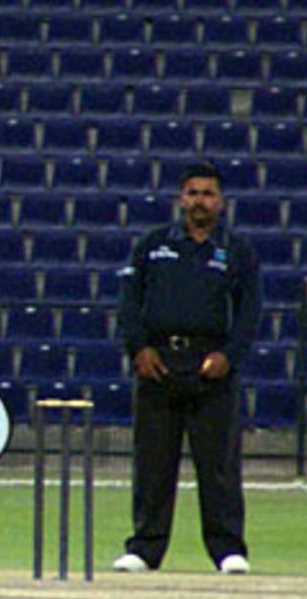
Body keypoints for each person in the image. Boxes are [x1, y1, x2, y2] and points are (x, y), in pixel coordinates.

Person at [114, 162, 261, 575]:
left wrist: (229, 357)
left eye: (208, 194)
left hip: (211, 367)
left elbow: (251, 312)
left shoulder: (236, 251)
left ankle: (228, 549)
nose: (200, 201)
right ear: (181, 198)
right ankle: (144, 548)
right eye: (193, 193)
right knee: (153, 463)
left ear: (221, 202)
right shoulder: (152, 244)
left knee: (218, 465)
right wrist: (139, 349)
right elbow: (128, 304)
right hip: (158, 364)